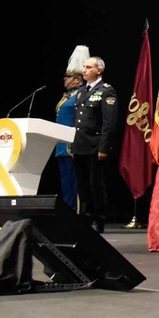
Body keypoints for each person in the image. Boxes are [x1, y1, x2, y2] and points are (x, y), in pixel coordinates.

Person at [70, 55, 122, 232]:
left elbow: (109, 123)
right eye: (84, 67)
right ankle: (85, 217)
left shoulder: (106, 91)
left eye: (89, 67)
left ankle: (98, 219)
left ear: (99, 70)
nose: (84, 70)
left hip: (95, 145)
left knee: (96, 185)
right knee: (82, 185)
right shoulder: (82, 92)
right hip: (80, 145)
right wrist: (72, 144)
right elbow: (78, 122)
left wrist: (104, 147)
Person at [52, 52, 86, 211]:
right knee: (66, 184)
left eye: (68, 77)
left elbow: (79, 123)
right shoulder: (67, 96)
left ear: (78, 80)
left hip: (71, 147)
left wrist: (74, 145)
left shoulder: (80, 96)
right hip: (61, 146)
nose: (64, 79)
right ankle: (68, 213)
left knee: (75, 185)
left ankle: (76, 214)